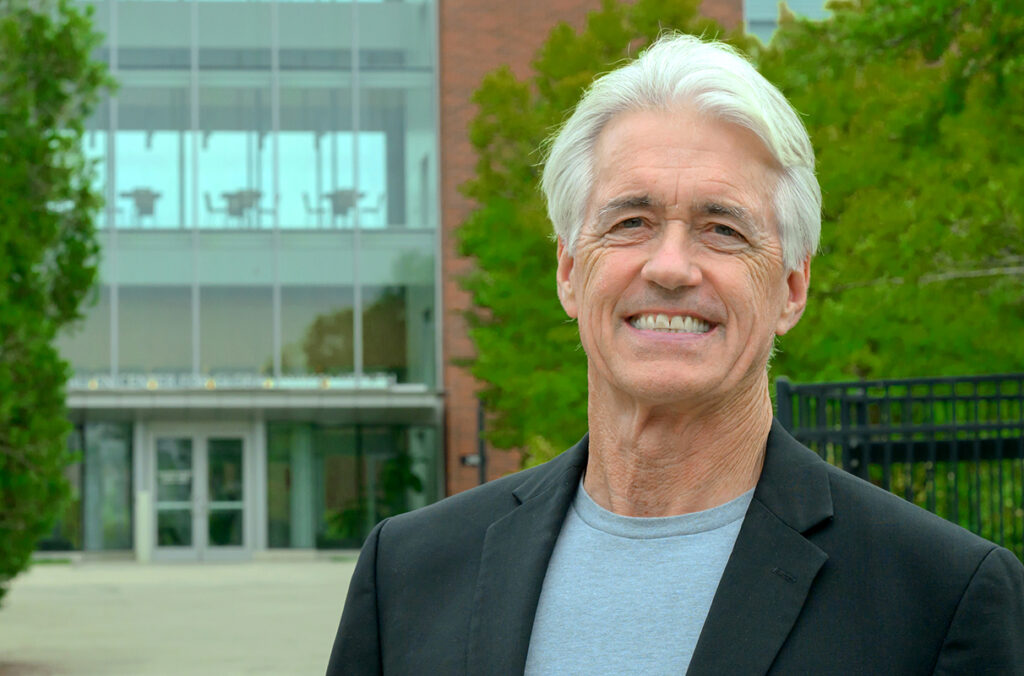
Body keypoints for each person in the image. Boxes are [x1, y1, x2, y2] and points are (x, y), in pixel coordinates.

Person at [326, 34, 1024, 675]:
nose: (670, 266)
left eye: (722, 229)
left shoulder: (940, 598)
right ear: (570, 272)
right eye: (631, 222)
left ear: (790, 287)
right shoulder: (409, 572)